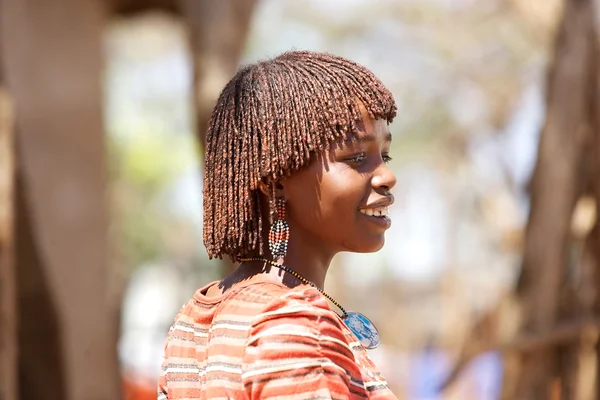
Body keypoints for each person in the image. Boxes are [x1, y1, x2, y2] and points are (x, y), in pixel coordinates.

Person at [158, 50, 398, 399]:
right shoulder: (296, 325)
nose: (387, 176)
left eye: (385, 156)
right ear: (275, 180)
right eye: (356, 158)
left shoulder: (191, 324)